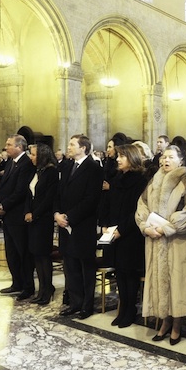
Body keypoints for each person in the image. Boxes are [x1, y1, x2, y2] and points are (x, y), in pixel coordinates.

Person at [136, 145, 186, 346]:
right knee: (159, 281)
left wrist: (166, 228)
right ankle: (164, 321)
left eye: (170, 157)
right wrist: (145, 226)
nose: (165, 160)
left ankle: (176, 324)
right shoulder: (153, 181)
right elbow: (142, 206)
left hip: (177, 241)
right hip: (155, 241)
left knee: (177, 283)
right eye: (164, 157)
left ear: (181, 161)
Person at [55, 134, 104, 319]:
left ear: (83, 148)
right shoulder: (67, 166)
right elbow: (58, 193)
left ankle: (86, 305)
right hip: (64, 223)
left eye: (72, 144)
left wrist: (69, 217)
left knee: (85, 267)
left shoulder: (94, 168)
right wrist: (57, 214)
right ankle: (74, 302)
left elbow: (91, 199)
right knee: (70, 266)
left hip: (82, 225)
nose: (68, 147)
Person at [99, 144, 148, 327]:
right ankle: (122, 309)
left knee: (130, 273)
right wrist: (104, 224)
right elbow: (106, 203)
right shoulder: (117, 178)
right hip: (113, 232)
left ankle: (130, 310)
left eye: (122, 156)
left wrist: (121, 230)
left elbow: (137, 211)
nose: (118, 159)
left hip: (130, 234)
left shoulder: (141, 181)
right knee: (119, 272)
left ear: (132, 158)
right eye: (118, 156)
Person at [0, 135, 36, 301]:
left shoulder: (26, 163)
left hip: (18, 215)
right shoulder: (11, 162)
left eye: (9, 144)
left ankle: (27, 286)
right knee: (11, 252)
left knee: (22, 252)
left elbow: (21, 191)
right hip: (8, 215)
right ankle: (16, 282)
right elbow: (4, 186)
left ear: (19, 147)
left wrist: (4, 206)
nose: (6, 147)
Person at [24, 144, 59, 305]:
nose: (31, 157)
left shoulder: (51, 171)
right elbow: (29, 194)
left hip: (43, 219)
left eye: (33, 154)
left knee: (43, 254)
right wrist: (27, 212)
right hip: (32, 219)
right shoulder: (37, 170)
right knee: (36, 254)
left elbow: (49, 198)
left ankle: (47, 288)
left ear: (42, 155)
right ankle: (41, 288)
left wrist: (34, 214)